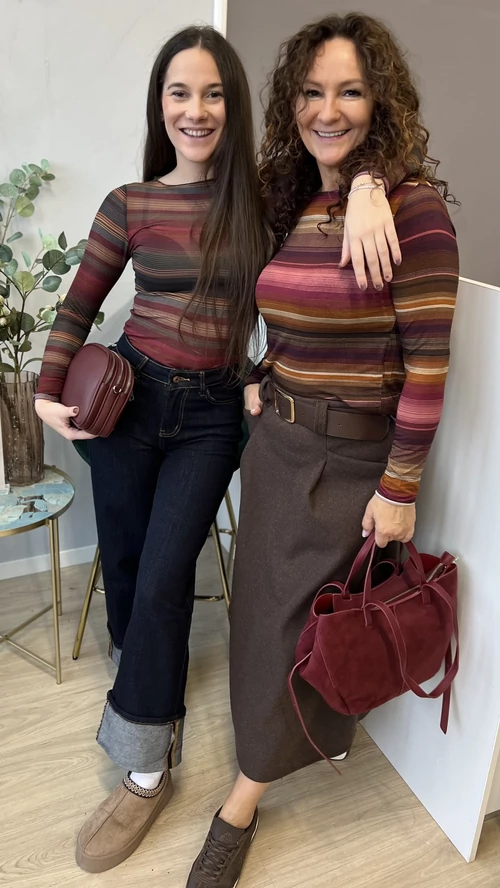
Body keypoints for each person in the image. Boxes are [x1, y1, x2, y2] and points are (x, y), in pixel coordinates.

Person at [34, 24, 399, 874]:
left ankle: (143, 767)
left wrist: (371, 180)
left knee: (167, 575)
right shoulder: (129, 202)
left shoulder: (264, 202)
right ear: (159, 106)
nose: (195, 110)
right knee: (130, 567)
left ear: (232, 105)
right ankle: (144, 667)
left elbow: (313, 248)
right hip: (127, 403)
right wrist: (48, 389)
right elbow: (79, 304)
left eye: (212, 94)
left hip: (209, 416)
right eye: (179, 93)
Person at [187, 13, 459, 888]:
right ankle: (276, 751)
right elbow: (292, 311)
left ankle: (239, 808)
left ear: (380, 101)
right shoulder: (299, 200)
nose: (327, 110)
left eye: (350, 91)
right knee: (259, 624)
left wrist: (400, 488)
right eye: (311, 91)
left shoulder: (415, 212)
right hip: (276, 449)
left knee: (290, 635)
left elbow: (427, 366)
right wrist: (262, 371)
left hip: (346, 466)